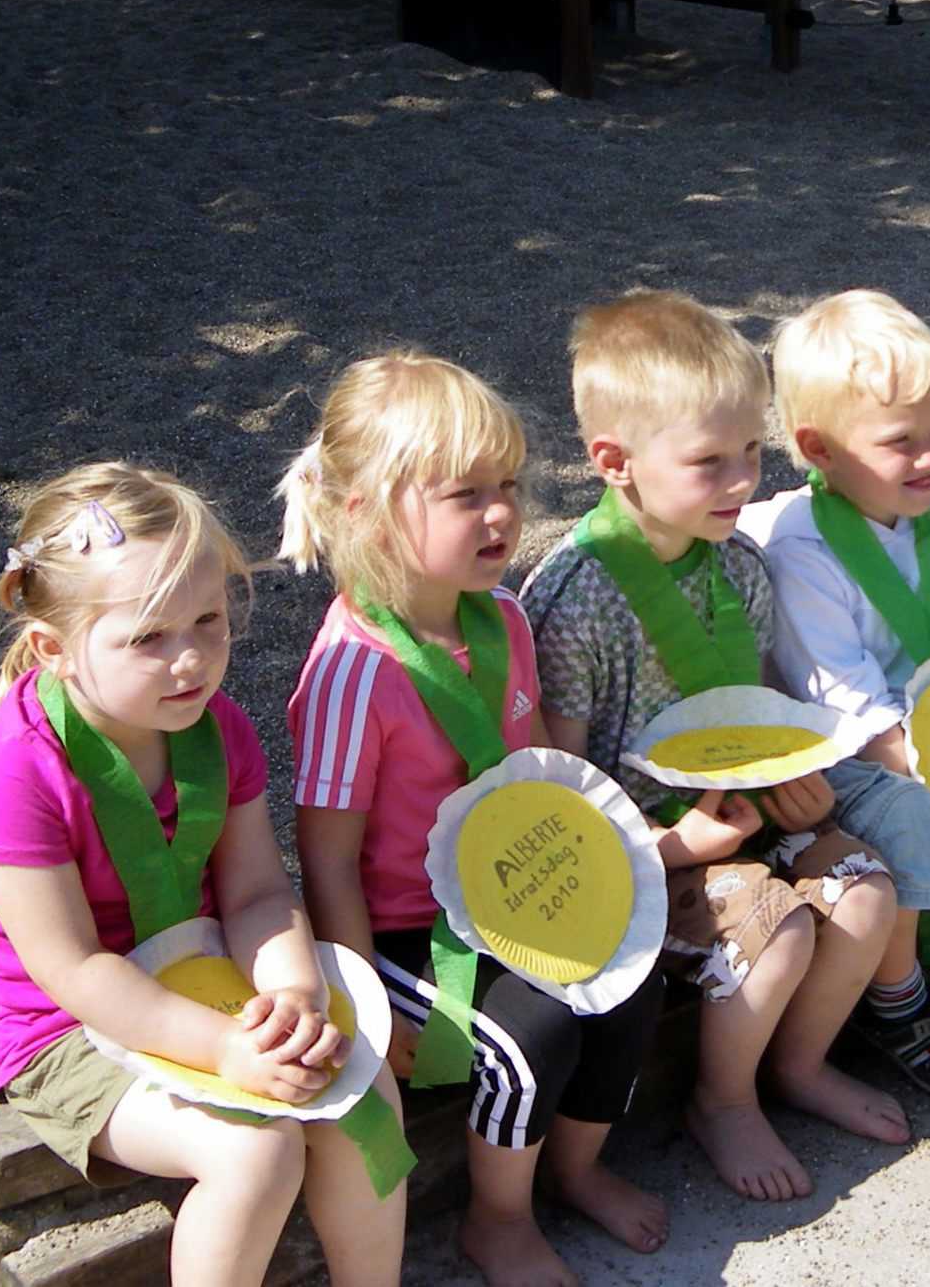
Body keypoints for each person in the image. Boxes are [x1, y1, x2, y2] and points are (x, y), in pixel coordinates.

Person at [0, 463, 407, 1287]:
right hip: (67, 1032)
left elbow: (256, 894)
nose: (191, 659)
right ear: (54, 648)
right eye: (148, 638)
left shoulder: (214, 727)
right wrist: (227, 1050)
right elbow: (74, 970)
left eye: (208, 620)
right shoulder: (10, 769)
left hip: (206, 980)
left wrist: (295, 1002)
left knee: (360, 1092)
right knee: (254, 1150)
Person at [519, 293, 926, 1202]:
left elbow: (765, 709)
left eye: (751, 452)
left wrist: (804, 783)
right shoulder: (574, 596)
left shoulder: (739, 563)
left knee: (865, 893)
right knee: (774, 930)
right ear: (614, 463)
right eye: (709, 462)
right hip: (645, 855)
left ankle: (801, 1067)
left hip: (740, 817)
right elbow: (567, 784)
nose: (742, 481)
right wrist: (674, 846)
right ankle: (723, 1099)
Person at [280, 355, 667, 1283]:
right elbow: (326, 861)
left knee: (632, 978)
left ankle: (573, 1172)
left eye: (509, 486)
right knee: (527, 1038)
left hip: (516, 886)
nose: (501, 514)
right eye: (465, 495)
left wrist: (623, 880)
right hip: (410, 931)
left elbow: (536, 775)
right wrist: (364, 1004)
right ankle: (498, 1218)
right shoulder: (351, 673)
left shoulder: (502, 618)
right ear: (365, 508)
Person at [737, 289, 930, 1105]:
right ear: (818, 448)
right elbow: (850, 708)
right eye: (901, 442)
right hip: (848, 752)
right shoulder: (804, 549)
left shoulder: (926, 518)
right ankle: (898, 1004)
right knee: (903, 809)